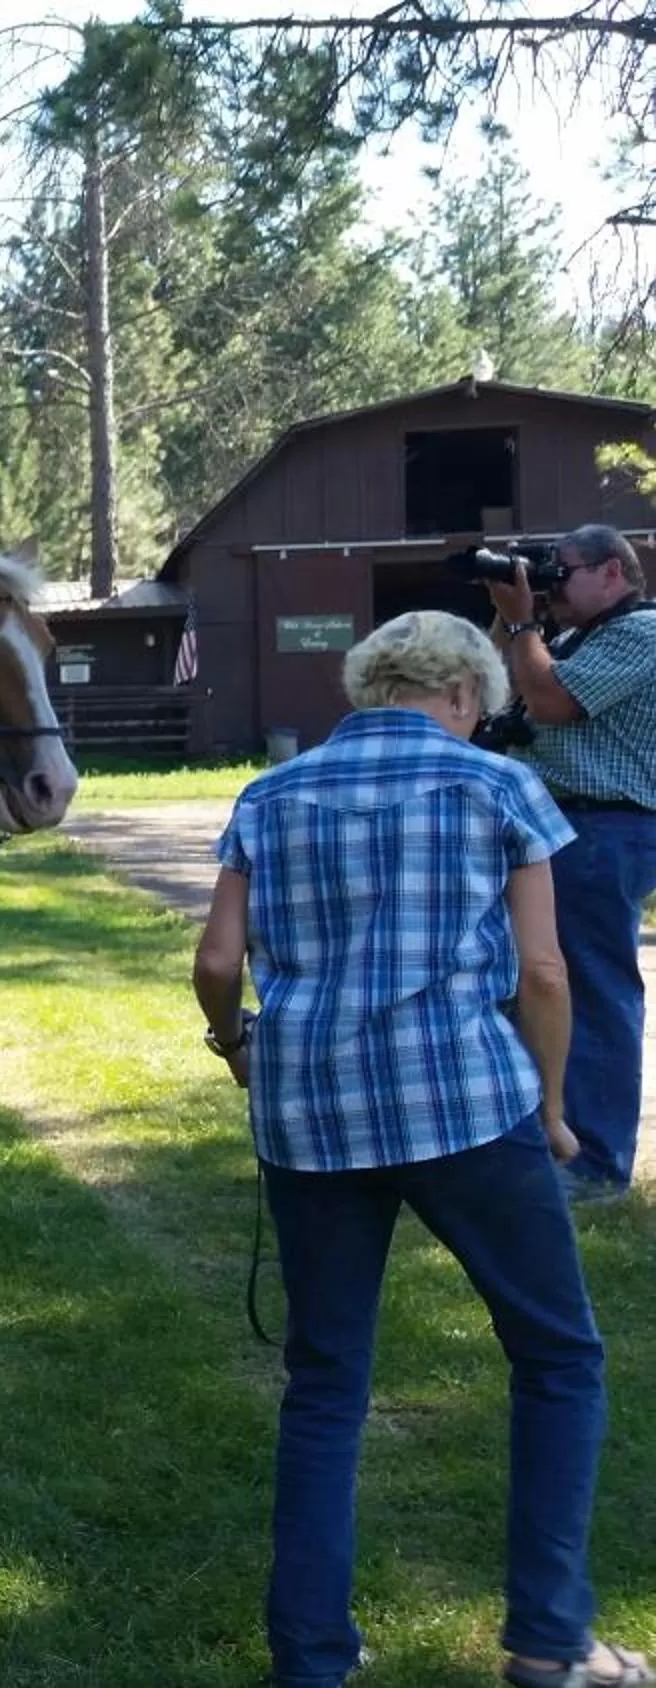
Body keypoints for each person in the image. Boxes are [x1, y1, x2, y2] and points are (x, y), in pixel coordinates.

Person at [193, 610, 640, 1688]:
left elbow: (215, 959)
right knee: (558, 1357)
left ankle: (312, 1659)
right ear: (463, 694)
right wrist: (552, 1105)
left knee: (327, 1382)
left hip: (312, 1115)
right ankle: (547, 1638)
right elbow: (543, 972)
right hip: (465, 1105)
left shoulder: (268, 794)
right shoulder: (499, 788)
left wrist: (236, 1044)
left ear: (367, 687)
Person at [485, 523, 656, 1203]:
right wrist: (508, 618)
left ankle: (595, 1163)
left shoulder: (641, 634)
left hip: (606, 825)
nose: (551, 585)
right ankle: (537, 1136)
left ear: (613, 572)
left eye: (565, 571)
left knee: (589, 990)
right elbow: (495, 685)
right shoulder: (571, 637)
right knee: (523, 982)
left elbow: (551, 703)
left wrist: (526, 623)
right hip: (558, 824)